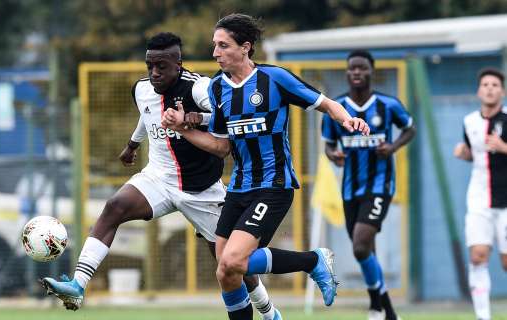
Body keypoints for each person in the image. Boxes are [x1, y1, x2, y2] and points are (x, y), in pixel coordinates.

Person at [40, 32, 283, 320]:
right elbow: (147, 115)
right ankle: (77, 285)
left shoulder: (200, 88)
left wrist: (198, 118)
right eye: (149, 66)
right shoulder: (141, 89)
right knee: (114, 207)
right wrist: (132, 144)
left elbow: (231, 116)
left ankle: (269, 314)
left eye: (161, 66)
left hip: (202, 190)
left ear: (178, 64)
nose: (154, 73)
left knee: (231, 262)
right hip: (159, 178)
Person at [162, 14, 370, 320]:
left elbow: (326, 104)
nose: (215, 53)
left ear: (245, 47)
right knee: (226, 270)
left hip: (273, 186)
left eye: (223, 45)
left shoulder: (274, 79)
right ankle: (279, 304)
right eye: (214, 46)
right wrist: (184, 129)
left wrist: (347, 118)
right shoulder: (218, 88)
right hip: (238, 187)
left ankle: (312, 261)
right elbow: (221, 146)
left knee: (233, 260)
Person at [321, 50, 415, 320]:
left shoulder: (387, 105)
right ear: (347, 73)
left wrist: (393, 146)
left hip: (379, 186)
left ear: (372, 71)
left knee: (361, 245)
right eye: (352, 69)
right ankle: (390, 312)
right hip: (350, 189)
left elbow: (410, 128)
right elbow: (329, 145)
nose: (357, 73)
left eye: (362, 68)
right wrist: (333, 155)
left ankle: (375, 305)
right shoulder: (336, 108)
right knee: (366, 251)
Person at [454, 68, 507, 320]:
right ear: (478, 90)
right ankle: (483, 317)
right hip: (478, 199)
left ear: (502, 91)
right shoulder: (469, 122)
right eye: (485, 84)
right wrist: (465, 154)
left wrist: (504, 147)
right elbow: (478, 157)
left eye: (495, 84)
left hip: (506, 201)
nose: (489, 88)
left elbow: (499, 152)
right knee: (477, 255)